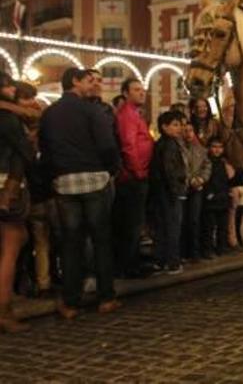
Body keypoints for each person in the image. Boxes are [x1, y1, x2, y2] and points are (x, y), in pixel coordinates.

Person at [40, 68, 121, 319]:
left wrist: (54, 175)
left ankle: (71, 301)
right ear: (74, 81)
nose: (92, 86)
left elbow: (45, 148)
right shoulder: (91, 110)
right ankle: (106, 296)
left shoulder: (50, 113)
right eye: (88, 81)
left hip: (64, 183)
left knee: (71, 243)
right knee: (100, 239)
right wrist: (111, 169)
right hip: (94, 179)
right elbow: (107, 144)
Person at [0, 73, 34, 332]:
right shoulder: (9, 119)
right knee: (10, 249)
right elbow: (24, 152)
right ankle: (4, 310)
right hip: (7, 184)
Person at [113, 78, 153, 278]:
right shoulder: (127, 115)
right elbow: (128, 146)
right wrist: (138, 172)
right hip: (133, 178)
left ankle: (132, 262)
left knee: (136, 223)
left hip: (138, 174)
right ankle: (129, 266)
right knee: (132, 224)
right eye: (136, 90)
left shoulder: (134, 114)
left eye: (143, 89)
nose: (142, 92)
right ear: (126, 93)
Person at [150, 110, 188, 274]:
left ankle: (160, 261)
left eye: (180, 124)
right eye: (175, 125)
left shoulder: (160, 144)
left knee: (161, 227)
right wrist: (177, 190)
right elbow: (170, 170)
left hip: (160, 192)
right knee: (172, 227)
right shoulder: (170, 145)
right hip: (170, 192)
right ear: (164, 127)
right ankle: (173, 262)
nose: (179, 128)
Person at [182, 120, 211, 261]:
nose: (188, 134)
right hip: (183, 188)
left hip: (197, 188)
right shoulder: (179, 149)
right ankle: (183, 252)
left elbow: (207, 165)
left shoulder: (200, 149)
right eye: (185, 130)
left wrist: (201, 179)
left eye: (190, 131)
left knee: (194, 220)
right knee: (183, 221)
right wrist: (189, 180)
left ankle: (194, 252)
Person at [201, 137, 235, 258]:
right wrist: (209, 194)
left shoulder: (223, 162)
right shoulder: (206, 161)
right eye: (214, 147)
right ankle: (208, 249)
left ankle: (222, 247)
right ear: (209, 148)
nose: (217, 150)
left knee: (223, 226)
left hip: (223, 197)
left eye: (220, 147)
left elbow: (227, 179)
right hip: (211, 199)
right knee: (209, 227)